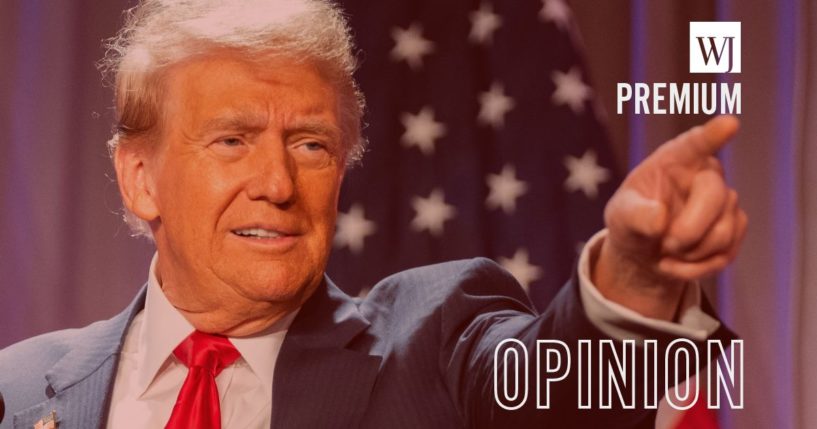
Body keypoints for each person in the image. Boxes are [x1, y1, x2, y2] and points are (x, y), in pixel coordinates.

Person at [0, 0, 745, 428]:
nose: (277, 181)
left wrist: (636, 277)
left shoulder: (434, 345)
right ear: (140, 179)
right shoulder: (21, 388)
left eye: (311, 143)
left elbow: (560, 392)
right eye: (232, 140)